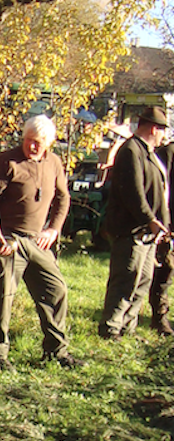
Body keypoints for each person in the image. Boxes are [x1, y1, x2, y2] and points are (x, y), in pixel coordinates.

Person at [0, 114, 82, 369]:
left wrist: (54, 229)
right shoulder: (7, 161)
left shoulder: (54, 163)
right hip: (9, 240)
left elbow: (63, 198)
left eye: (37, 142)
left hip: (38, 242)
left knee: (56, 290)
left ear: (48, 142)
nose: (32, 146)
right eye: (28, 140)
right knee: (2, 296)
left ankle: (56, 350)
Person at [99, 106, 171, 340]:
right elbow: (133, 192)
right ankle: (111, 328)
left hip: (148, 231)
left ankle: (127, 328)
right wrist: (149, 219)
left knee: (143, 280)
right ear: (153, 128)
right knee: (126, 278)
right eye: (162, 130)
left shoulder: (147, 151)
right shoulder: (131, 150)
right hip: (132, 229)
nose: (163, 136)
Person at [148, 138, 174, 336]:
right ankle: (160, 317)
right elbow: (160, 190)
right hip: (169, 222)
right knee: (165, 269)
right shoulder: (168, 153)